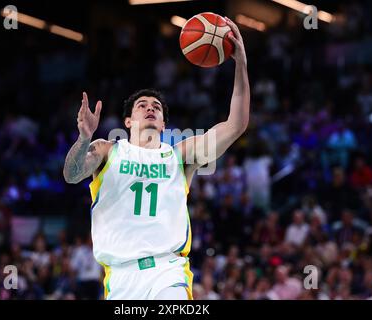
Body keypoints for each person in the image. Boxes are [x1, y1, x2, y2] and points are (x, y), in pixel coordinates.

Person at [63, 17, 250, 300]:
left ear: (163, 123)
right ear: (128, 120)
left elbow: (235, 125)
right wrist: (84, 138)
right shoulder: (107, 150)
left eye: (156, 107)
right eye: (142, 106)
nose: (150, 109)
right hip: (121, 277)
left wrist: (241, 65)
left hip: (168, 271)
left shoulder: (181, 155)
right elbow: (72, 174)